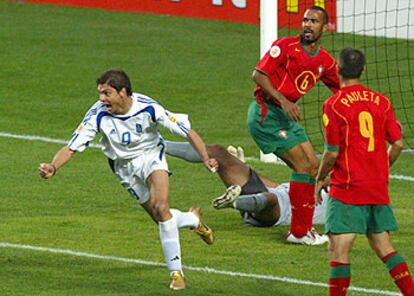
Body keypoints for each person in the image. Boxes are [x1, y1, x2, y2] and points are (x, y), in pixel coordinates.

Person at [38, 69, 219, 291]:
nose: (101, 99)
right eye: (100, 94)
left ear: (123, 92)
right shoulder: (97, 114)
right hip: (123, 169)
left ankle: (176, 273)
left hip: (152, 157)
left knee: (162, 208)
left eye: (107, 93)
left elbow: (187, 132)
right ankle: (193, 220)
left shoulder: (149, 107)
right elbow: (72, 147)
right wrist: (53, 166)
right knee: (160, 218)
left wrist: (206, 158)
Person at [315, 48, 414, 295]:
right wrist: (381, 167)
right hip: (377, 186)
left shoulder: (334, 104)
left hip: (348, 188)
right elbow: (398, 143)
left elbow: (332, 153)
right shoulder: (382, 101)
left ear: (337, 69)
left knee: (339, 250)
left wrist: (319, 179)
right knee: (384, 247)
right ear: (363, 70)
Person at [247, 5, 340, 245]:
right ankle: (299, 232)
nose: (308, 25)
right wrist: (284, 101)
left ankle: (303, 228)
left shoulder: (325, 61)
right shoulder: (285, 46)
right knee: (303, 166)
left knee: (313, 167)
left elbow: (342, 88)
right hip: (265, 114)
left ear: (325, 27)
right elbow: (258, 75)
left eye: (314, 21)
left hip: (286, 117)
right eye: (306, 20)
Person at [165, 141, 327, 240]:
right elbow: (278, 187)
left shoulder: (343, 201)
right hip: (276, 192)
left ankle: (234, 202)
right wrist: (246, 168)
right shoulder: (319, 184)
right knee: (217, 152)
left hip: (279, 213)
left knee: (270, 199)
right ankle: (156, 143)